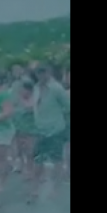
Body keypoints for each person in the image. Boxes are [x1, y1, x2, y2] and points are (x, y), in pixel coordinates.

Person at [29, 63, 70, 202]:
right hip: (40, 129)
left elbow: (67, 106)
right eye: (38, 73)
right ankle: (35, 188)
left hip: (55, 129)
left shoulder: (56, 88)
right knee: (37, 159)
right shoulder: (36, 88)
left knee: (56, 160)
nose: (41, 76)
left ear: (49, 73)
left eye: (43, 72)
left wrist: (57, 117)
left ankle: (55, 188)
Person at [13, 78, 37, 178]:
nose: (21, 92)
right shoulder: (18, 100)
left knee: (30, 152)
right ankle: (22, 167)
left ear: (29, 91)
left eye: (23, 90)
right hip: (19, 129)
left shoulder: (34, 100)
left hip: (31, 131)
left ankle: (30, 170)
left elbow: (30, 108)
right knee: (19, 150)